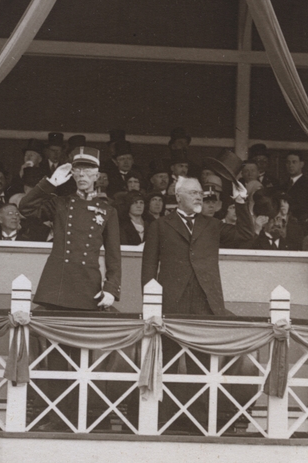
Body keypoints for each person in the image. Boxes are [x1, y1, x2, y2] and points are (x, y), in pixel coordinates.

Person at [141, 160, 255, 429]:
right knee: (165, 362)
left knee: (202, 367)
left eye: (200, 193)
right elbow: (148, 268)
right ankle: (161, 421)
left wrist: (241, 202)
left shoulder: (211, 225)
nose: (200, 196)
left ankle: (200, 423)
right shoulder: (160, 226)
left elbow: (246, 235)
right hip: (171, 302)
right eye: (193, 192)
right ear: (178, 196)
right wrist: (150, 306)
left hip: (205, 302)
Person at [20, 146, 121, 311]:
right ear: (72, 174)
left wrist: (111, 289)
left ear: (97, 175)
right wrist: (50, 183)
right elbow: (25, 208)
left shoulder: (108, 210)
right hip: (58, 283)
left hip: (88, 284)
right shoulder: (61, 204)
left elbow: (114, 255)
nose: (82, 175)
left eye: (88, 171)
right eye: (78, 170)